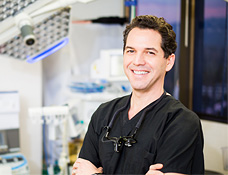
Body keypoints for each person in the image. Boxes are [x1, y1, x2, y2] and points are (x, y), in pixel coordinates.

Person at [72, 15, 204, 175]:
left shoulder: (181, 122)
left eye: (149, 52)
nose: (138, 61)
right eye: (131, 51)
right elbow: (80, 170)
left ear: (168, 61)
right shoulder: (103, 114)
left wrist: (95, 174)